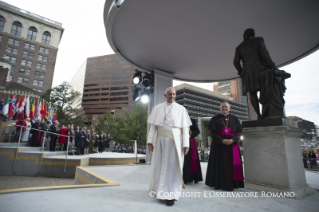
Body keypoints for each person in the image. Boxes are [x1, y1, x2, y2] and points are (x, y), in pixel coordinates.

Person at [147, 87, 192, 206]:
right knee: (160, 165)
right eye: (169, 94)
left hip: (175, 142)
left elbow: (185, 128)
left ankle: (171, 194)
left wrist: (186, 144)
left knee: (173, 168)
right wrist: (150, 141)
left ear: (175, 95)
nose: (172, 96)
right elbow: (153, 127)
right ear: (164, 95)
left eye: (174, 94)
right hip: (160, 141)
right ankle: (159, 190)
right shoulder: (157, 108)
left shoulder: (181, 109)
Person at [233, 28, 290, 119]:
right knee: (265, 90)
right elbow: (265, 54)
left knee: (252, 94)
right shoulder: (258, 40)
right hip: (260, 71)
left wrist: (241, 73)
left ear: (244, 36)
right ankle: (267, 113)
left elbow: (236, 62)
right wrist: (273, 67)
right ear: (253, 34)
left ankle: (259, 115)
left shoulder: (239, 47)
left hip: (248, 74)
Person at [206, 101, 244, 191]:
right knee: (220, 164)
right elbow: (212, 133)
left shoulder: (235, 118)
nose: (224, 108)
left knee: (232, 164)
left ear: (229, 108)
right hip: (219, 145)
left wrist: (233, 140)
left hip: (233, 145)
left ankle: (233, 184)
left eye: (226, 107)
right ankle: (219, 183)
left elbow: (239, 132)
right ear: (220, 108)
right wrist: (221, 140)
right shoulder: (215, 119)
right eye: (222, 107)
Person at [183, 106, 203, 184]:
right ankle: (183, 177)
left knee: (192, 159)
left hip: (190, 141)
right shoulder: (177, 120)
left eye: (186, 111)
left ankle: (193, 177)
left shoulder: (192, 120)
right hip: (180, 141)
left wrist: (192, 132)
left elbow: (197, 131)